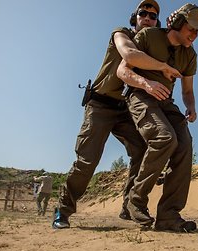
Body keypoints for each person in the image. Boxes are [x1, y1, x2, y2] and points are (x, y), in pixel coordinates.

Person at [53, 0, 182, 229]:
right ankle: (63, 209)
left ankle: (128, 206)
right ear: (135, 17)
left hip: (127, 109)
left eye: (153, 16)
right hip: (101, 105)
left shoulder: (152, 45)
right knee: (87, 160)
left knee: (143, 149)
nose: (148, 18)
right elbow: (128, 54)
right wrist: (162, 67)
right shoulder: (121, 34)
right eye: (143, 13)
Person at [117, 3, 198, 232]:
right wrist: (147, 84)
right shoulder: (149, 35)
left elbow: (187, 91)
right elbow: (123, 71)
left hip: (166, 102)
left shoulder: (190, 55)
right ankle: (135, 200)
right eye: (191, 29)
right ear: (177, 24)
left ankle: (169, 214)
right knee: (165, 138)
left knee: (184, 144)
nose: (194, 35)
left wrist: (191, 107)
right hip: (140, 94)